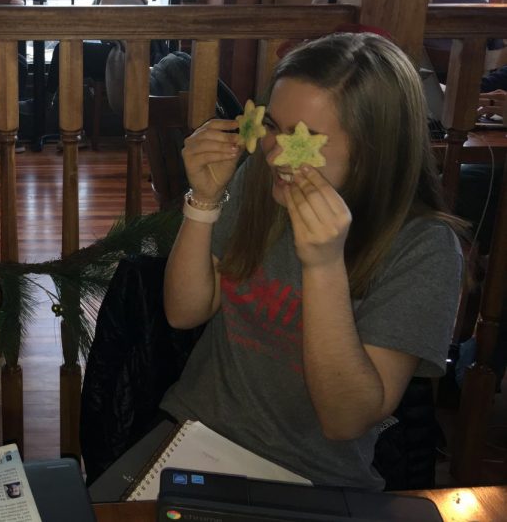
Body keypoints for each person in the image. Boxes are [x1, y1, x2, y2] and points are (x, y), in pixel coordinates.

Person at [98, 33, 465, 494]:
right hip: (192, 436)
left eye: (303, 139)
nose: (273, 153)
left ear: (374, 152)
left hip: (315, 479)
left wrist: (324, 266)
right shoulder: (258, 182)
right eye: (272, 124)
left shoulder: (424, 249)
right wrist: (204, 201)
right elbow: (184, 311)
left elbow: (345, 420)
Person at [46, 0, 150, 113]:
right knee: (68, 54)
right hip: (126, 52)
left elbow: (96, 27)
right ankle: (57, 106)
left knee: (63, 51)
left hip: (126, 56)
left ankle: (48, 103)